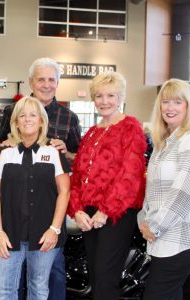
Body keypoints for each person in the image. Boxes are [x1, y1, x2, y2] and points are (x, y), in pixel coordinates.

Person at [0, 57, 81, 299]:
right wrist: (6, 143)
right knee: (12, 276)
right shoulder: (12, 111)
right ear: (31, 82)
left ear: (57, 83)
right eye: (40, 79)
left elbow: (80, 158)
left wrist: (68, 152)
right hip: (15, 210)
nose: (46, 84)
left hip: (50, 210)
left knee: (51, 273)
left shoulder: (69, 117)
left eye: (51, 80)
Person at [67, 72, 147, 300]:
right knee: (95, 276)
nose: (104, 101)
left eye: (110, 95)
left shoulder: (130, 128)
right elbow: (78, 176)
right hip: (90, 213)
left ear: (120, 96)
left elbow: (130, 176)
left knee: (105, 277)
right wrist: (77, 210)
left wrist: (106, 210)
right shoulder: (92, 133)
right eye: (99, 96)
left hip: (116, 213)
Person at [0, 96, 71, 300]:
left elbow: (65, 192)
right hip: (9, 235)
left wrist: (54, 229)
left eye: (33, 115)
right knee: (5, 292)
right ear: (15, 121)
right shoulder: (5, 152)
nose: (27, 119)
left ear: (42, 120)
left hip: (44, 235)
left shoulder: (54, 152)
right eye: (22, 115)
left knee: (39, 290)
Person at [138, 78, 190, 300]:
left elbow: (184, 191)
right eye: (166, 102)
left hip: (180, 238)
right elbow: (153, 189)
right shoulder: (164, 142)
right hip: (162, 238)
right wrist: (144, 218)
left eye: (177, 102)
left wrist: (155, 225)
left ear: (188, 106)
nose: (170, 108)